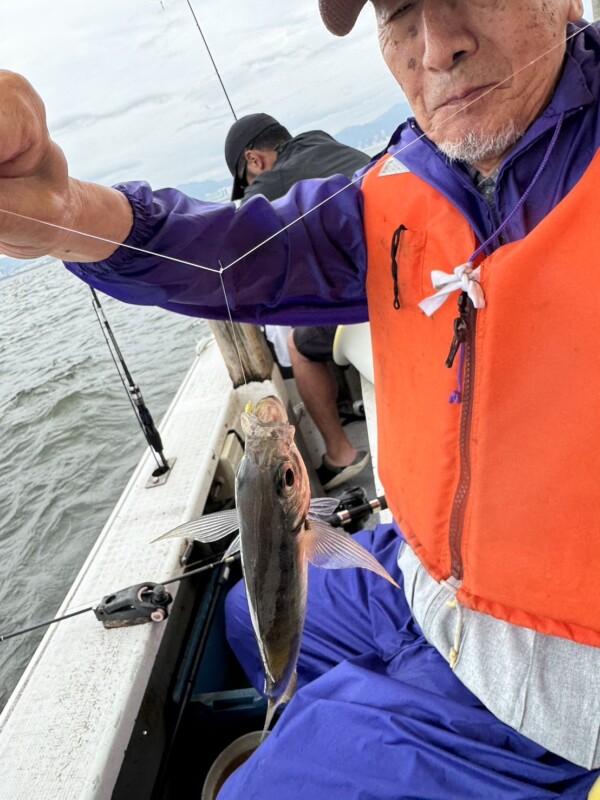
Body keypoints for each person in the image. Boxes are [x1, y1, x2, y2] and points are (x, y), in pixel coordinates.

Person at [0, 0, 599, 796]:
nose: (437, 45)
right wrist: (63, 217)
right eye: (400, 9)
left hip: (555, 676)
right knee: (248, 613)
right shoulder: (405, 184)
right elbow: (238, 253)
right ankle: (313, 710)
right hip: (429, 583)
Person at [224, 112, 372, 490]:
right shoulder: (318, 140)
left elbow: (233, 239)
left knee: (300, 344)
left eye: (249, 180)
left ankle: (341, 454)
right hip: (411, 259)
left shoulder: (277, 177)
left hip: (383, 293)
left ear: (255, 161)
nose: (254, 184)